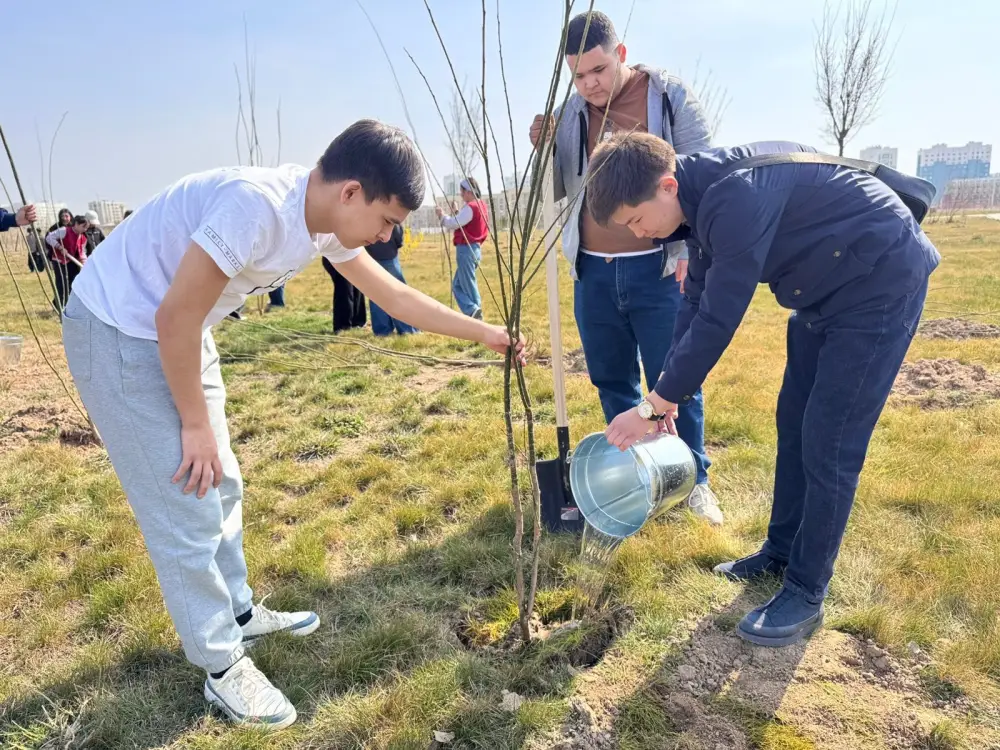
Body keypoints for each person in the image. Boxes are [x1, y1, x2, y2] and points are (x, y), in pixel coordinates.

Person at [61, 119, 524, 730]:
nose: (388, 236)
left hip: (179, 330)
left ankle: (239, 614)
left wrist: (488, 335)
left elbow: (397, 299)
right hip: (123, 330)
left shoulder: (324, 221)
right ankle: (222, 667)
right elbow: (173, 314)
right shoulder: (254, 209)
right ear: (351, 193)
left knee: (222, 481)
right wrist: (193, 427)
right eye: (387, 221)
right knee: (186, 501)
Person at [586, 132, 940, 648]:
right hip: (826, 291)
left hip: (879, 284)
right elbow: (696, 302)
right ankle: (779, 551)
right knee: (793, 422)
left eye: (636, 220)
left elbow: (719, 318)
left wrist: (653, 405)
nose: (639, 234)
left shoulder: (734, 198)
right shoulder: (698, 200)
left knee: (830, 440)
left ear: (666, 185)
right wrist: (666, 393)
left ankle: (805, 590)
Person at [528, 10, 721, 524]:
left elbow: (703, 179)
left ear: (621, 55)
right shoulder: (571, 116)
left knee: (674, 380)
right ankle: (638, 475)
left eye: (598, 69)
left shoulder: (667, 97)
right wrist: (543, 150)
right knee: (611, 378)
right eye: (578, 75)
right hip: (593, 270)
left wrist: (688, 252)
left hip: (659, 268)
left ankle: (693, 478)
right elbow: (556, 191)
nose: (589, 84)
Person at [436, 177, 487, 319]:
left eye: (462, 192)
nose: (461, 195)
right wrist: (458, 211)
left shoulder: (471, 207)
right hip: (475, 249)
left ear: (469, 192)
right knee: (457, 285)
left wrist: (442, 216)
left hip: (466, 250)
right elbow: (466, 223)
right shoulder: (481, 205)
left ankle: (476, 318)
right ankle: (473, 311)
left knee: (469, 286)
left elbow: (454, 223)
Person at [365, 223, 418, 336]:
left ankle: (382, 331)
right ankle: (406, 329)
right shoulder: (390, 211)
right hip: (390, 257)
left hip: (371, 258)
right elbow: (399, 237)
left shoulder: (367, 213)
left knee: (376, 295)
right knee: (398, 293)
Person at [46, 215, 89, 308]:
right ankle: (60, 306)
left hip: (71, 262)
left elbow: (82, 252)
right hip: (59, 261)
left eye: (86, 228)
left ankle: (70, 305)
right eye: (83, 227)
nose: (85, 229)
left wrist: (84, 263)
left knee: (73, 283)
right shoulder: (64, 231)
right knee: (62, 283)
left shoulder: (83, 238)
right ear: (76, 224)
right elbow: (49, 238)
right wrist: (59, 247)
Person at [322, 256, 367, 332]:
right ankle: (342, 326)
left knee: (357, 289)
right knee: (344, 291)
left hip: (353, 259)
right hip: (338, 260)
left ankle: (357, 323)